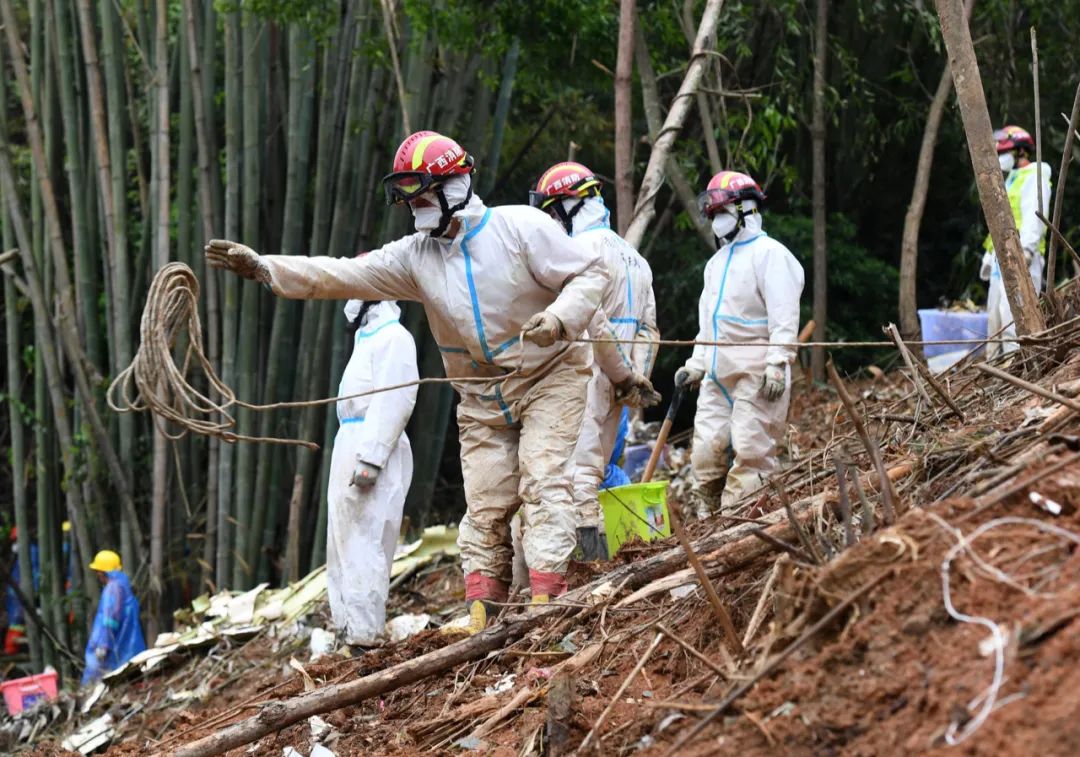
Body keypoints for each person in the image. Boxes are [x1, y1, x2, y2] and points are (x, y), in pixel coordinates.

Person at [206, 131, 659, 635]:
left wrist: (560, 321)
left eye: (423, 194)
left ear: (456, 184)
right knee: (485, 503)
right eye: (410, 198)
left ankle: (550, 606)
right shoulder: (416, 257)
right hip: (483, 395)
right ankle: (484, 617)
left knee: (547, 483)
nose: (416, 207)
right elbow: (342, 274)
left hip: (551, 377)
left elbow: (590, 280)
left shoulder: (522, 228)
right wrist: (269, 269)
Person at [528, 161, 660, 559]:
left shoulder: (579, 251)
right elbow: (651, 329)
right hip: (620, 383)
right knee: (598, 471)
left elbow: (588, 319)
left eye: (554, 210)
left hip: (585, 373)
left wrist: (618, 373)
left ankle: (591, 566)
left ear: (571, 204)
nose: (552, 220)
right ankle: (615, 559)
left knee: (578, 479)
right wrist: (635, 378)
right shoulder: (636, 258)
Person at [675, 171, 804, 515]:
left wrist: (778, 363)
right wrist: (696, 365)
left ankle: (741, 522)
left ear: (747, 209)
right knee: (706, 451)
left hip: (758, 372)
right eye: (714, 214)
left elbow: (784, 317)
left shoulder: (771, 255)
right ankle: (707, 517)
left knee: (751, 450)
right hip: (717, 373)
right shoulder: (716, 264)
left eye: (722, 212)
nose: (716, 220)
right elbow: (708, 324)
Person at [327, 296, 417, 645]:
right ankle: (348, 627)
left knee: (366, 537)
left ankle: (365, 633)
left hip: (370, 442)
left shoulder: (394, 337)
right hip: (350, 438)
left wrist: (371, 457)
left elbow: (395, 400)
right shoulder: (366, 338)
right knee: (343, 540)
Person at [979, 125, 1051, 358]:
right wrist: (989, 257)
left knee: (1015, 319)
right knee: (996, 318)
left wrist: (1028, 250)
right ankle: (997, 369)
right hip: (1002, 260)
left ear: (1021, 152)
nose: (1000, 159)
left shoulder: (1035, 175)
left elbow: (1034, 216)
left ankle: (1018, 369)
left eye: (1004, 153)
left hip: (1022, 257)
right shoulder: (1011, 179)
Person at [82, 550, 146, 685]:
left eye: (98, 570)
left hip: (113, 647)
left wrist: (103, 645)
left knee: (97, 681)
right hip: (127, 646)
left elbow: (109, 620)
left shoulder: (113, 589)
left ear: (103, 571)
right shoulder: (123, 585)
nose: (97, 574)